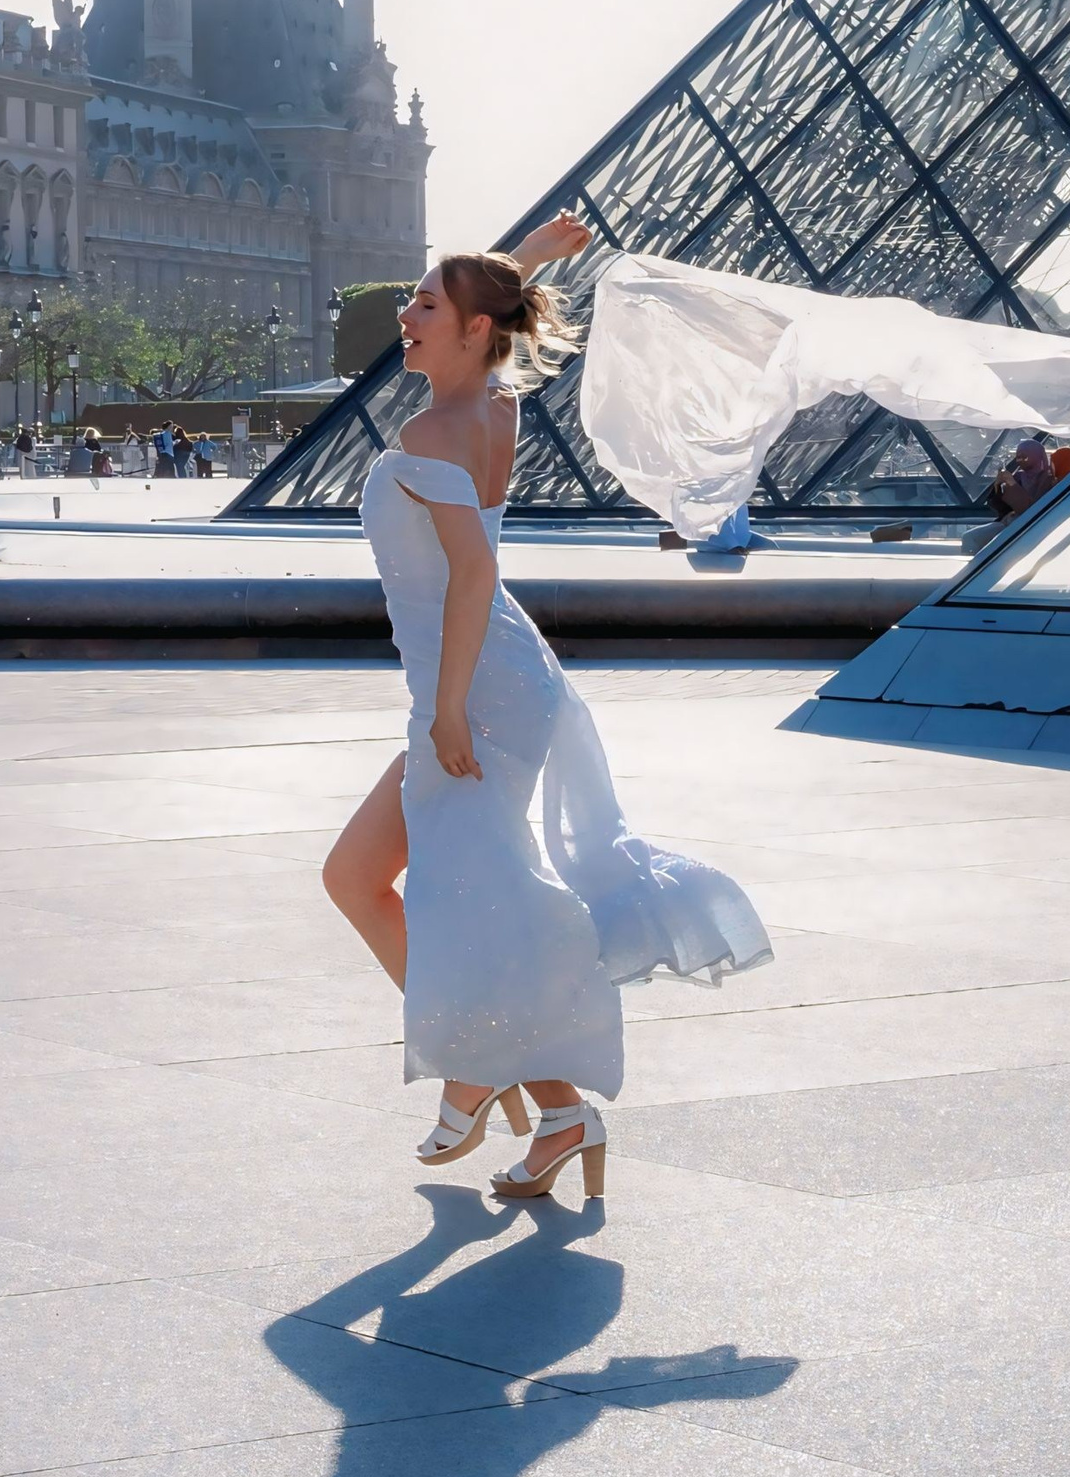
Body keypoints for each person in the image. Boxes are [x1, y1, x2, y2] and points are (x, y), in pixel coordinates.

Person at [321, 217, 769, 1203]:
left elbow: (473, 572)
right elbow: (488, 301)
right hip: (499, 675)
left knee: (468, 892)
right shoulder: (492, 405)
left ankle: (485, 1070)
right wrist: (532, 253)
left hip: (475, 687)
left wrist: (444, 714)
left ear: (472, 328)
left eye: (424, 303)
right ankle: (549, 1100)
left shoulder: (432, 431)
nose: (405, 312)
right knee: (367, 876)